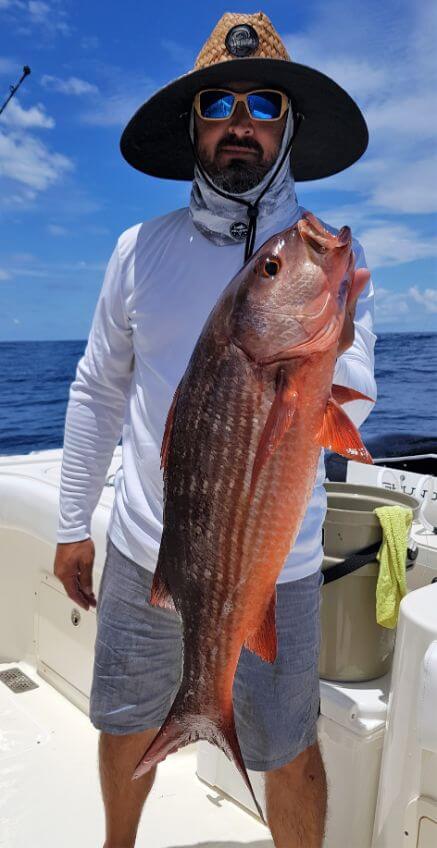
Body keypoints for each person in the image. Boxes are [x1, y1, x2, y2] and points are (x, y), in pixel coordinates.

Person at [54, 11, 376, 848]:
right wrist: (71, 523)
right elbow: (96, 391)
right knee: (126, 721)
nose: (240, 122)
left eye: (263, 104)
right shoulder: (138, 249)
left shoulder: (327, 261)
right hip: (143, 545)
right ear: (193, 125)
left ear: (287, 126)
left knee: (289, 748)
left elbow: (355, 406)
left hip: (277, 558)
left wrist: (324, 354)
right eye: (218, 105)